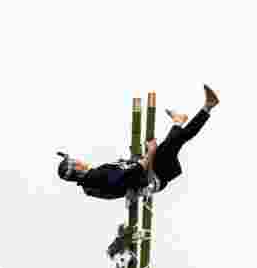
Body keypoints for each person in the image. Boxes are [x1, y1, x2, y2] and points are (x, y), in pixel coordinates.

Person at [58, 84, 219, 198]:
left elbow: (124, 175)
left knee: (177, 139)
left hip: (151, 172)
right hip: (152, 173)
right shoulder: (95, 178)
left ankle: (203, 109)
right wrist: (150, 153)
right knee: (172, 142)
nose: (79, 161)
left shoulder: (93, 181)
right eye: (76, 163)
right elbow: (129, 175)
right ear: (77, 171)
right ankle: (183, 119)